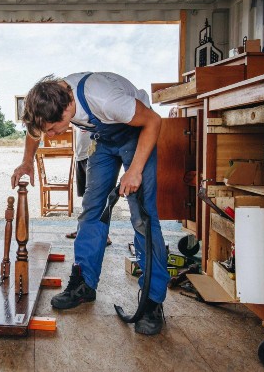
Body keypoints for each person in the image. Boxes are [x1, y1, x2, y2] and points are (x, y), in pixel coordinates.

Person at [11, 72, 169, 335]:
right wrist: (27, 161)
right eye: (47, 130)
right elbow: (34, 131)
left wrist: (135, 170)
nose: (49, 136)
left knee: (142, 217)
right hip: (104, 141)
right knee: (91, 211)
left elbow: (153, 121)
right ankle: (84, 283)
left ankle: (153, 300)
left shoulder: (104, 98)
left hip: (138, 133)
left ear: (68, 106)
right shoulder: (51, 100)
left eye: (52, 128)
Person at [65, 129, 112, 247]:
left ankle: (103, 234)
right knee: (86, 197)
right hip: (81, 155)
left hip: (94, 153)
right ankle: (82, 229)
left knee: (98, 196)